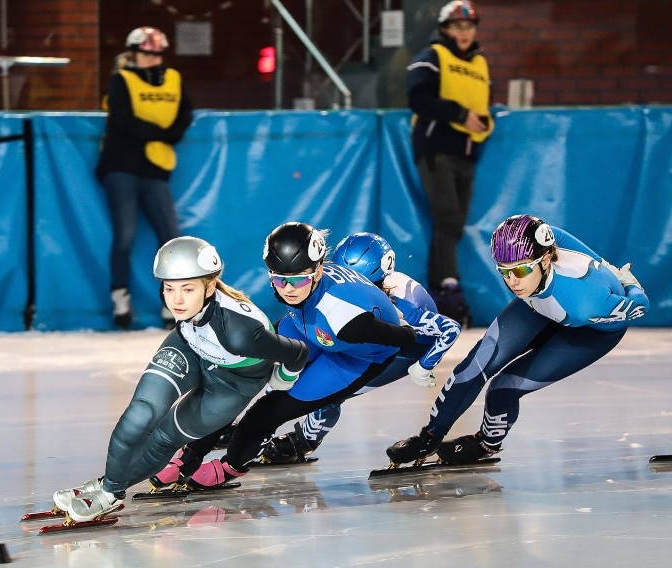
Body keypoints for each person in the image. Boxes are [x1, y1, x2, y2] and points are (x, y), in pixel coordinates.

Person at [53, 236, 309, 522]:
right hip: (190, 345)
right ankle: (108, 485)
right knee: (140, 414)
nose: (176, 300)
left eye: (188, 289)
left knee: (164, 438)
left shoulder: (240, 333)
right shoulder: (188, 307)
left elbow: (298, 353)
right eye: (169, 288)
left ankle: (110, 491)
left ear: (210, 286)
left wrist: (282, 380)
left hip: (233, 383)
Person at [150, 222, 418, 489]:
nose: (289, 289)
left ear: (318, 271)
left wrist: (413, 341)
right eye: (279, 279)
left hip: (351, 357)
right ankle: (191, 454)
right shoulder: (304, 292)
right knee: (235, 381)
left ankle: (232, 465)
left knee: (268, 411)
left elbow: (406, 338)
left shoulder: (346, 320)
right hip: (308, 324)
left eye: (299, 279)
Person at [386, 214, 649, 466]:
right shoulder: (534, 245)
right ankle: (429, 438)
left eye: (521, 270)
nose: (512, 281)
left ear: (546, 260)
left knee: (503, 388)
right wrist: (601, 260)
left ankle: (486, 444)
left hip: (589, 331)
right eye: (504, 271)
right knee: (476, 364)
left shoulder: (588, 302)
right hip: (540, 305)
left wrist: (629, 284)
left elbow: (640, 306)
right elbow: (557, 235)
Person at [260, 231, 462, 464]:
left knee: (329, 393)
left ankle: (305, 441)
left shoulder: (406, 309)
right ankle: (263, 424)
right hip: (368, 335)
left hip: (402, 350)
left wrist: (424, 366)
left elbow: (450, 328)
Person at [96, 26, 194, 329]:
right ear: (133, 52)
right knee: (125, 236)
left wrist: (169, 134)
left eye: (157, 53)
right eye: (146, 52)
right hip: (121, 167)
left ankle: (172, 303)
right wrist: (163, 134)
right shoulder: (121, 79)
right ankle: (120, 299)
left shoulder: (175, 78)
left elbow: (184, 114)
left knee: (171, 239)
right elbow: (123, 121)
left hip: (155, 169)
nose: (151, 58)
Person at [406, 0, 493, 327]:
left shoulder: (480, 63)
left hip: (466, 152)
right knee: (447, 217)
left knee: (454, 222)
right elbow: (418, 97)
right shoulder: (433, 56)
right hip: (436, 147)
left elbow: (483, 104)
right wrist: (459, 115)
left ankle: (442, 287)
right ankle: (445, 285)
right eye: (458, 27)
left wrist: (482, 123)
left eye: (469, 26)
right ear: (444, 29)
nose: (465, 32)